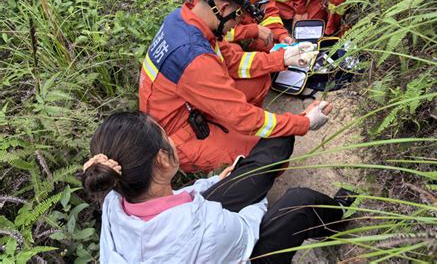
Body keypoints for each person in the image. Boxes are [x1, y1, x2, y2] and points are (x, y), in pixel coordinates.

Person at [82, 111, 356, 263]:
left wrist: (218, 182)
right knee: (300, 202)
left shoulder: (114, 202)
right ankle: (337, 219)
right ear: (163, 160)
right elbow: (245, 231)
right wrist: (253, 193)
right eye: (166, 135)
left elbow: (176, 201)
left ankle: (285, 135)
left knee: (274, 146)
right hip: (229, 243)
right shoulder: (207, 229)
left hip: (194, 231)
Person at [139, 0, 330, 173]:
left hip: (190, 109)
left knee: (257, 82)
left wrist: (283, 58)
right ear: (225, 7)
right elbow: (241, 115)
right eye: (240, 17)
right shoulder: (194, 57)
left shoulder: (184, 20)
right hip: (175, 139)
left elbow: (232, 62)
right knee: (270, 157)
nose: (237, 25)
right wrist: (303, 122)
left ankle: (240, 136)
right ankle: (233, 190)